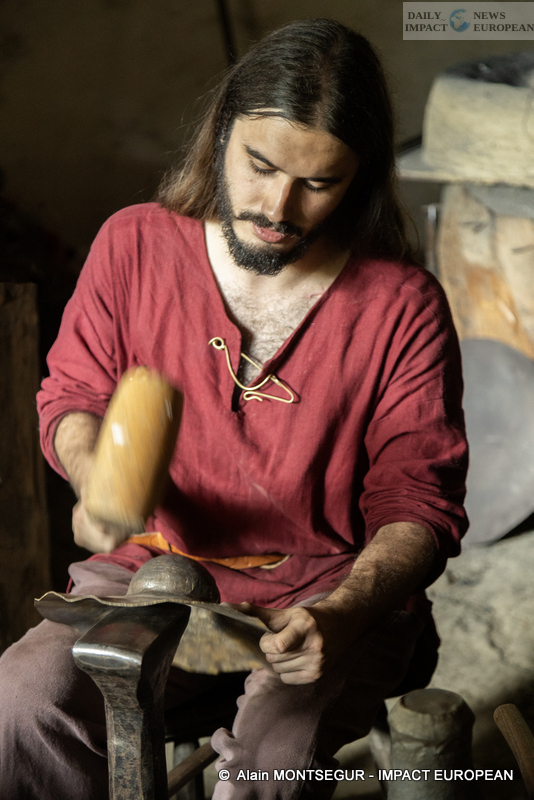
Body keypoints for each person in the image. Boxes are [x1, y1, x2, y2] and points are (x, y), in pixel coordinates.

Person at [0, 18, 468, 800]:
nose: (278, 207)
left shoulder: (402, 306)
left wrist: (348, 613)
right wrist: (95, 477)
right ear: (222, 133)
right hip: (149, 572)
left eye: (319, 182)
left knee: (273, 760)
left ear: (361, 178)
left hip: (322, 594)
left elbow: (419, 503)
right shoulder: (135, 246)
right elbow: (74, 398)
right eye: (260, 165)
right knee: (22, 702)